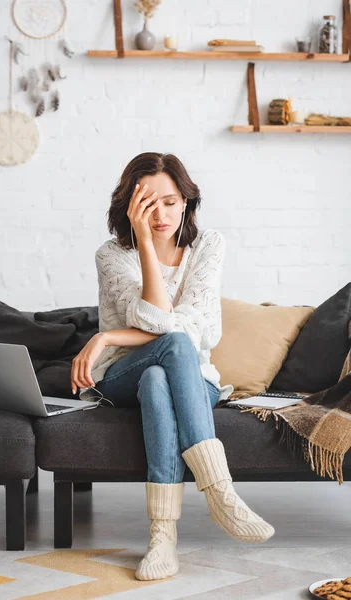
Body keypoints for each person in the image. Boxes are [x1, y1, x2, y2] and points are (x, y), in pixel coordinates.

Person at [70, 152, 275, 582]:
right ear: (130, 205)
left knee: (161, 373)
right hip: (121, 375)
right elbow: (154, 319)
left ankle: (162, 535)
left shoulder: (208, 246)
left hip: (188, 376)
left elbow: (190, 330)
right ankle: (220, 492)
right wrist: (144, 241)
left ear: (186, 201)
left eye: (169, 201)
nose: (160, 214)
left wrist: (105, 334)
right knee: (169, 349)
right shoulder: (112, 255)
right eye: (147, 204)